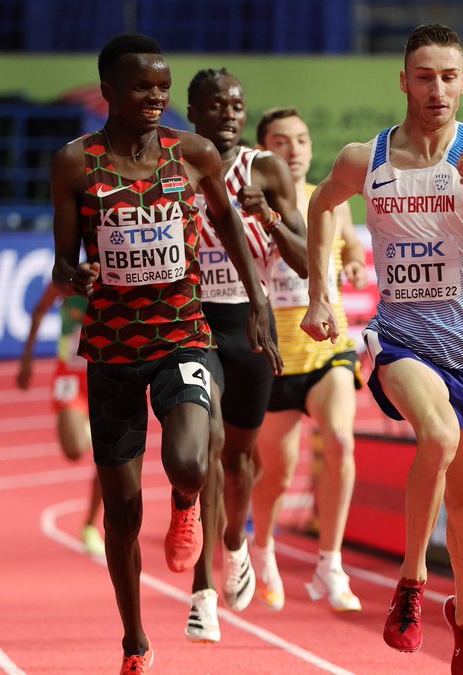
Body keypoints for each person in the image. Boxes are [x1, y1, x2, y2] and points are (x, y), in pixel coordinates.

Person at [300, 24, 463, 675]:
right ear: (403, 80)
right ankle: (410, 587)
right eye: (424, 76)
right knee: (436, 436)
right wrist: (322, 293)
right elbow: (323, 206)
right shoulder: (368, 158)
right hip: (403, 344)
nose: (437, 89)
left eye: (448, 76)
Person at [49, 34, 280, 675]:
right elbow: (63, 262)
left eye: (161, 87)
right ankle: (134, 642)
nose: (155, 98)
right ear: (109, 93)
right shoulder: (74, 164)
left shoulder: (193, 154)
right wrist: (77, 276)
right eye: (140, 88)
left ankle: (185, 507)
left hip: (181, 329)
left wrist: (258, 300)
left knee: (187, 462)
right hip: (112, 347)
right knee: (121, 513)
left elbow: (230, 222)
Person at [185, 68, 308, 637]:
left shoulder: (267, 170)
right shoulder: (176, 167)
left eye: (236, 105)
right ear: (194, 114)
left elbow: (308, 263)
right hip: (192, 320)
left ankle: (235, 542)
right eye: (215, 106)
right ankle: (201, 591)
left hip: (252, 323)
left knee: (238, 460)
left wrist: (273, 218)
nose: (229, 114)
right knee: (204, 446)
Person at [250, 107, 368, 613]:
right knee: (276, 474)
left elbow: (351, 244)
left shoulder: (331, 198)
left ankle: (330, 565)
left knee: (340, 440)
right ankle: (264, 549)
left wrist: (359, 262)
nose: (294, 149)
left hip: (328, 347)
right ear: (263, 153)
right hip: (275, 359)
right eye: (281, 141)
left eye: (300, 139)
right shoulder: (247, 205)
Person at [15, 284, 104, 557]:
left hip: (105, 375)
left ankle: (90, 525)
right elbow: (39, 310)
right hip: (71, 376)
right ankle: (94, 432)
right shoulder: (65, 281)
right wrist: (27, 360)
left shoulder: (116, 278)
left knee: (108, 457)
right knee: (74, 450)